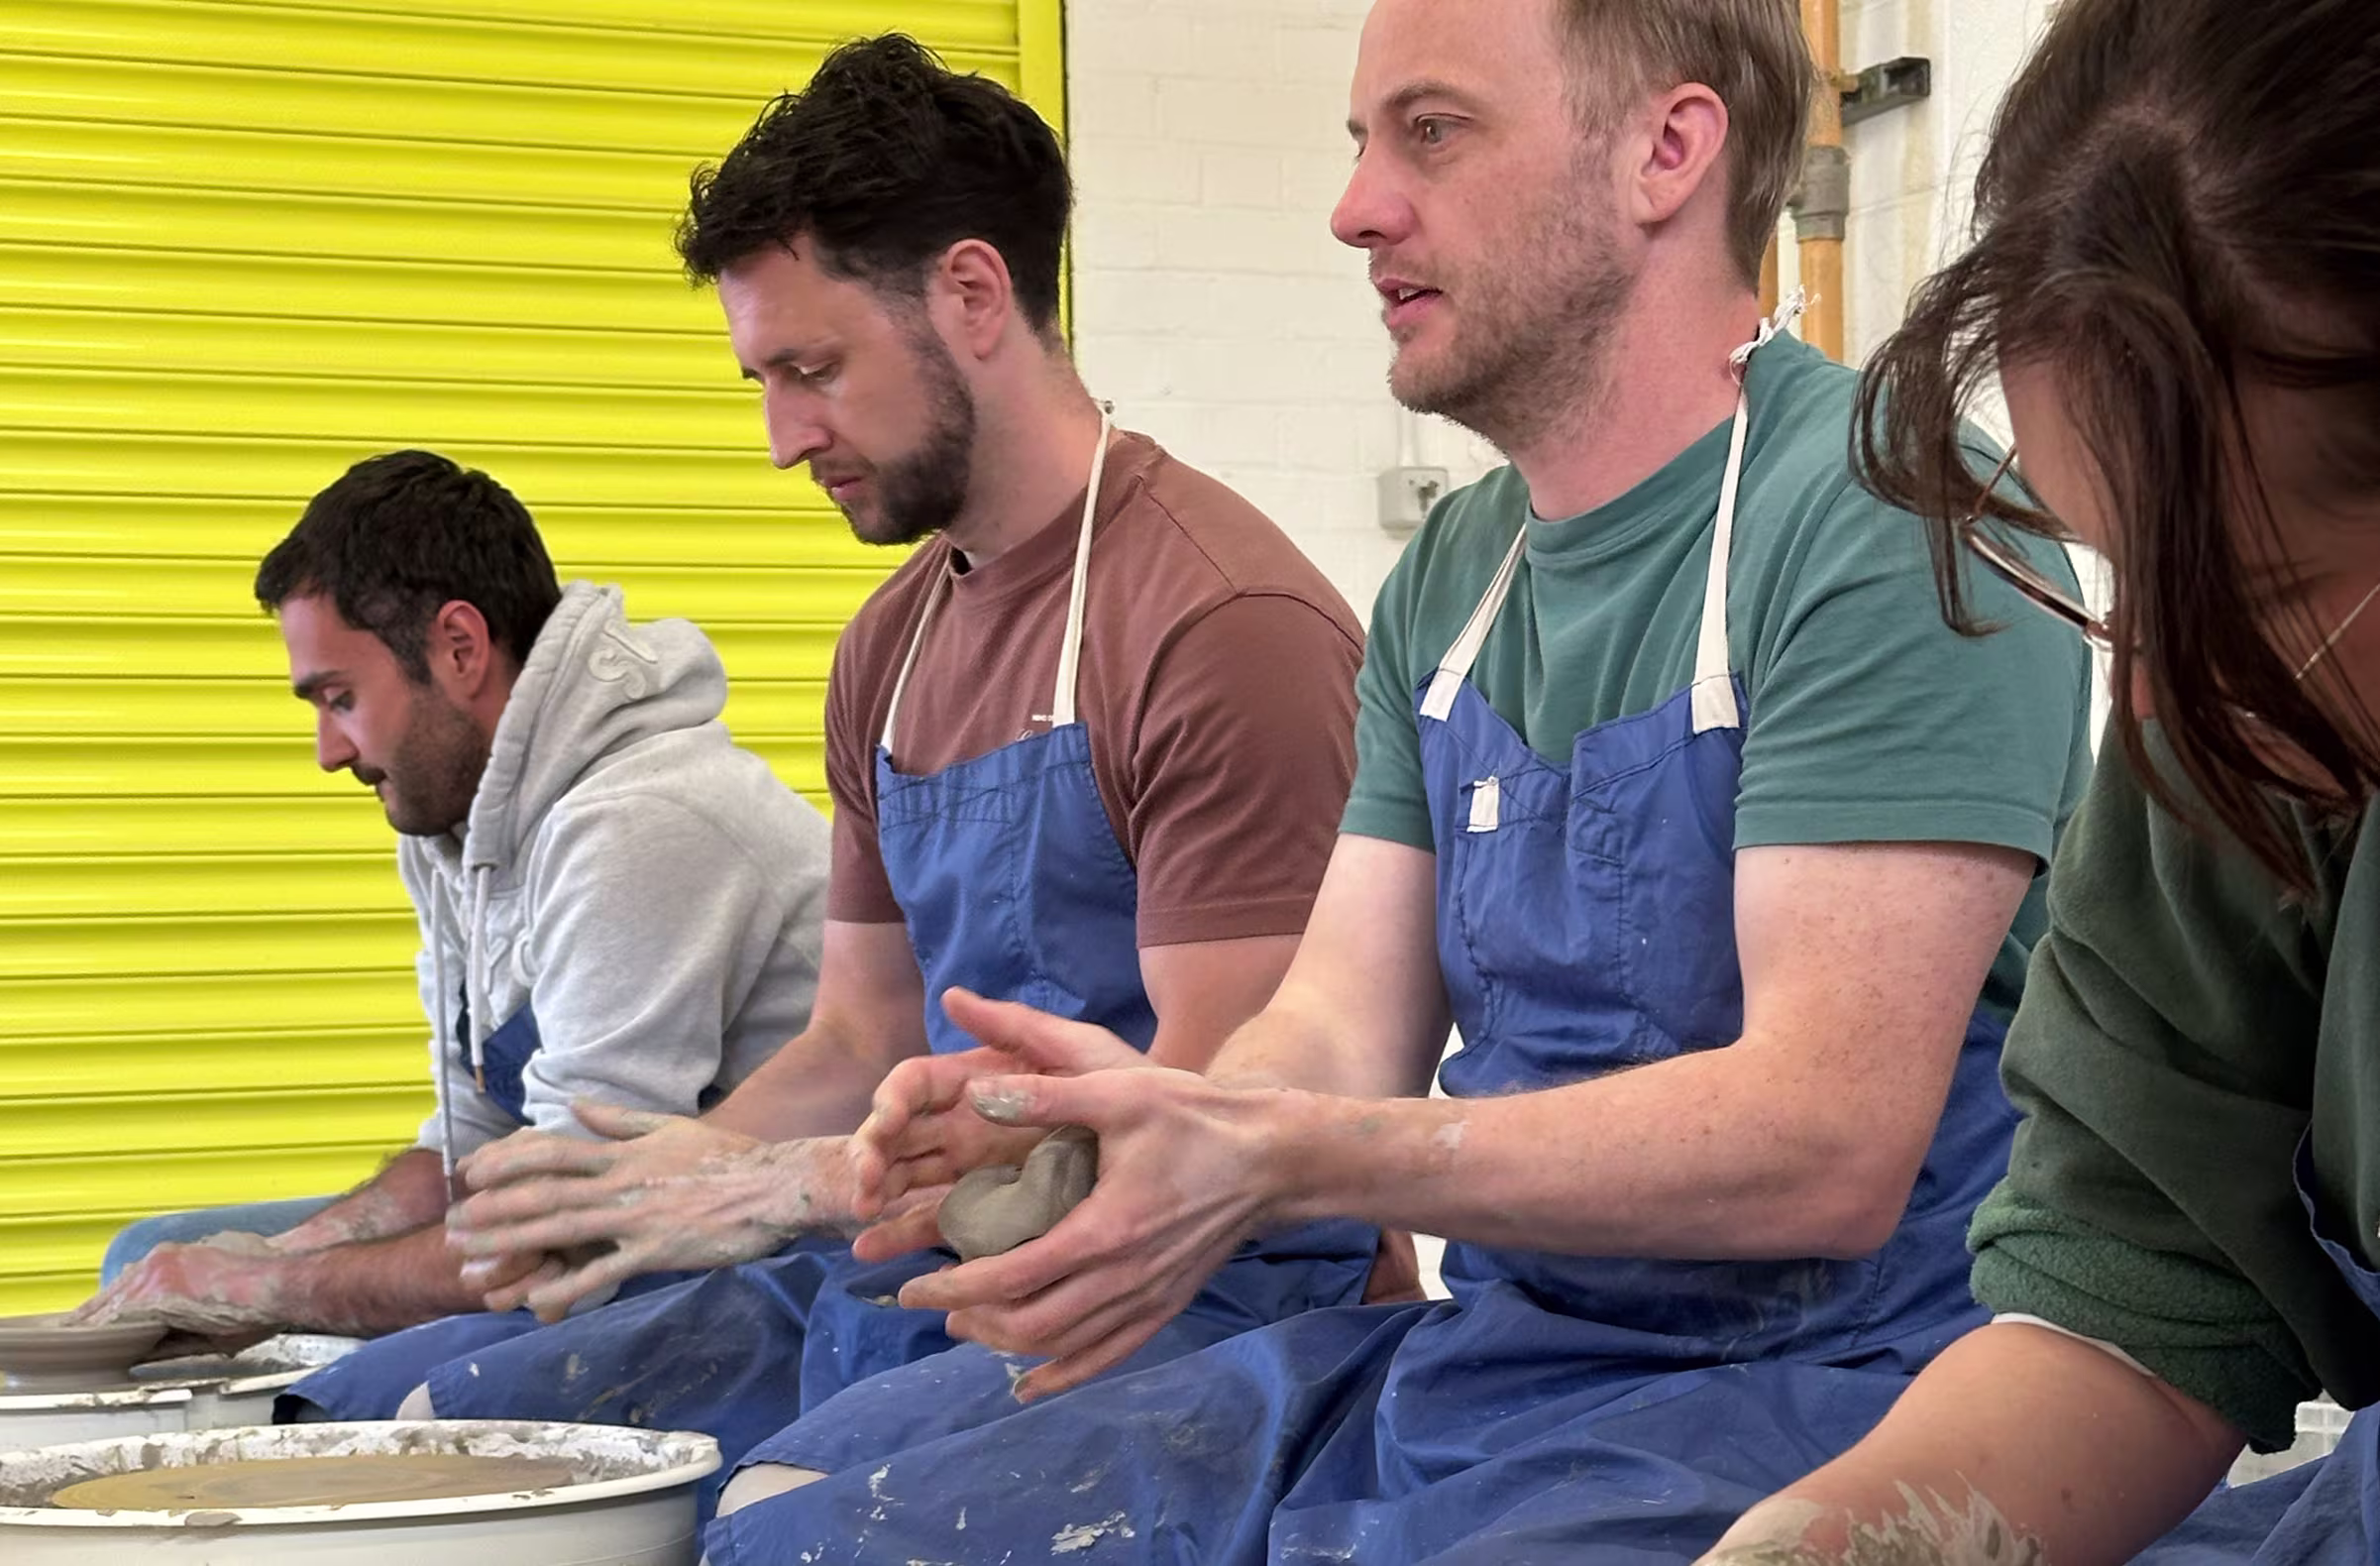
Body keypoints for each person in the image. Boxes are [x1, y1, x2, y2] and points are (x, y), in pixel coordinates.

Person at [695, 1, 2097, 1560]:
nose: (1355, 208)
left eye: (1431, 132)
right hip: (1510, 1365)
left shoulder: (1892, 516)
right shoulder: (1453, 578)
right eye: (1361, 143)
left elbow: (1822, 1143)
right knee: (799, 1535)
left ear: (1666, 151)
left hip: (1845, 1395)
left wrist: (1285, 1156)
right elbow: (1336, 1032)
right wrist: (1126, 1123)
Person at [282, 33, 1389, 1515]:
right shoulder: (888, 646)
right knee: (398, 1430)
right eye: (763, 379)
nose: (780, 438)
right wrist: (669, 1176)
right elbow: (858, 1032)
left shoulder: (1219, 624)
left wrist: (793, 1185)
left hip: (1202, 1298)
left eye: (812, 371)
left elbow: (1204, 1129)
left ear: (973, 296)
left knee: (781, 1521)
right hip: (926, 1249)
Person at [1697, 1, 2380, 1562]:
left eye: (2249, 599)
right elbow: (2141, 1272)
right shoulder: (2232, 730)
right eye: (2126, 579)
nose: (2147, 706)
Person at [73, 449, 830, 1347]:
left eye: (340, 699)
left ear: (460, 649)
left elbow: (559, 1234)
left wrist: (268, 1287)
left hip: (776, 1270)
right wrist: (266, 1260)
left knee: (332, 1392)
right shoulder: (453, 823)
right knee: (152, 1259)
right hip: (597, 1230)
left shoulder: (641, 821)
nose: (328, 752)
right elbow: (473, 1138)